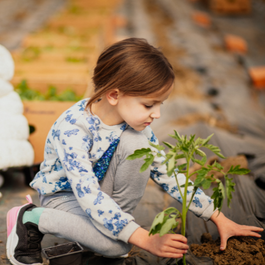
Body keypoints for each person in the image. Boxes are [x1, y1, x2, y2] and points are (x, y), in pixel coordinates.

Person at [6, 38, 263, 265]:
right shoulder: (74, 129)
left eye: (161, 104)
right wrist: (143, 238)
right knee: (117, 246)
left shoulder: (134, 127)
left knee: (140, 146)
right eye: (149, 104)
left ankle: (106, 229)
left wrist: (217, 216)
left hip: (99, 197)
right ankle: (31, 217)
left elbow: (167, 173)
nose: (157, 114)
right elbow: (88, 195)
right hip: (65, 196)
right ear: (114, 95)